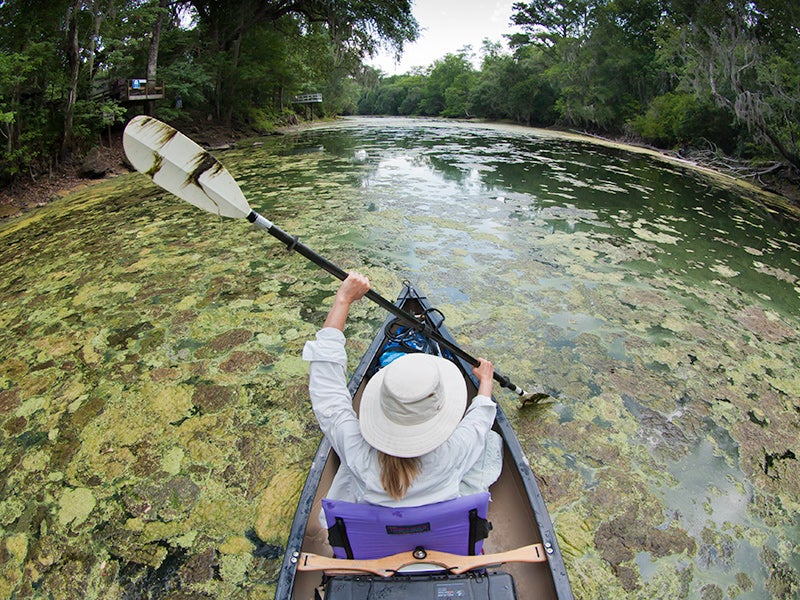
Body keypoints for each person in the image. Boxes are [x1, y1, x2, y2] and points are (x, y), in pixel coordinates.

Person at [302, 272, 502, 517]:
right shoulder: (454, 451)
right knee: (489, 441)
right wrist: (485, 381)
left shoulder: (358, 453)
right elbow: (479, 420)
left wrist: (343, 299)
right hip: (442, 539)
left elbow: (328, 391)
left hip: (372, 541)